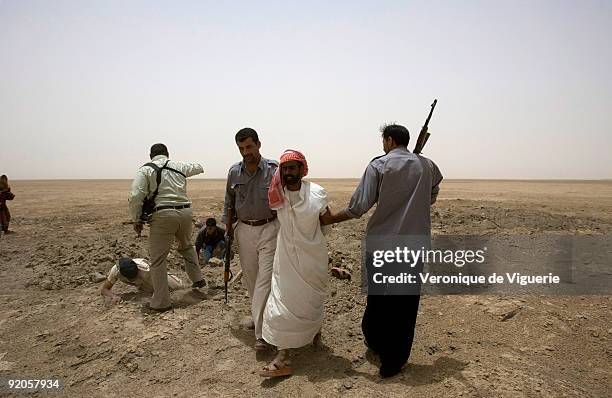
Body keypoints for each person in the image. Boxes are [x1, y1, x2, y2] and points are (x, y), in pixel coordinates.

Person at [320, 124, 443, 378]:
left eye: (383, 141)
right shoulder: (427, 165)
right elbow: (433, 193)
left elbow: (359, 206)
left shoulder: (378, 165)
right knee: (404, 304)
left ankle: (375, 342)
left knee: (378, 296)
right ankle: (394, 360)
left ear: (388, 140)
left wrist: (331, 219)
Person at [259, 150, 330, 377]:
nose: (288, 172)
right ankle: (283, 356)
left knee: (311, 302)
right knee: (280, 305)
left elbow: (325, 226)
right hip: (285, 260)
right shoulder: (276, 194)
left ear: (302, 169)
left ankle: (313, 333)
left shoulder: (317, 193)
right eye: (285, 168)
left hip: (312, 259)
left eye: (293, 168)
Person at [128, 143, 206, 312]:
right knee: (186, 246)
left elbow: (136, 196)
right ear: (167, 153)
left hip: (163, 215)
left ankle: (161, 301)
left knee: (158, 260)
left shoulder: (146, 170)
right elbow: (198, 167)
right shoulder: (178, 166)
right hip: (185, 213)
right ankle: (198, 279)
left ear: (151, 155)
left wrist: (136, 220)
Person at [223, 127, 279, 350]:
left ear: (258, 144)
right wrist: (228, 229)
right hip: (244, 230)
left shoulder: (274, 169)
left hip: (269, 228)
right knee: (252, 280)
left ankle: (262, 336)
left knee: (265, 279)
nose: (245, 152)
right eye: (241, 148)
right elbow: (229, 202)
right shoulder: (234, 172)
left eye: (248, 146)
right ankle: (260, 317)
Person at [100, 257, 187, 304]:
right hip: (143, 286)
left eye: (136, 276)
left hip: (156, 277)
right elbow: (104, 289)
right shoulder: (115, 271)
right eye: (132, 279)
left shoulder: (146, 269)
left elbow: (161, 281)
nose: (134, 280)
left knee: (178, 287)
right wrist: (113, 296)